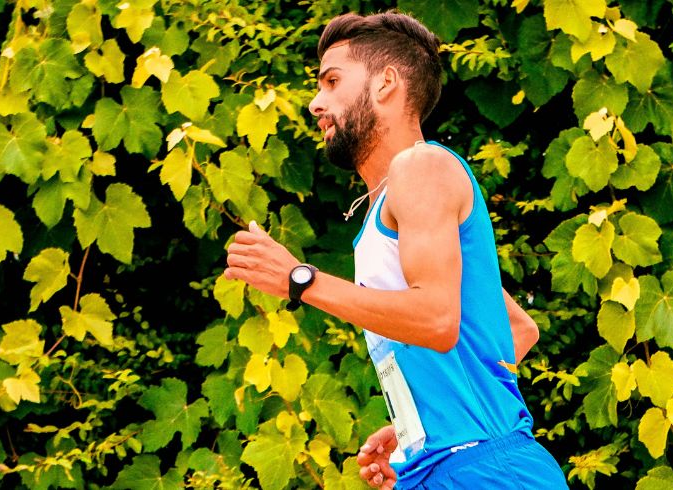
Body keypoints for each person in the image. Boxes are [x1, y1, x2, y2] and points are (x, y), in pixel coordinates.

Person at [223, 11, 567, 490]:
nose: (315, 103)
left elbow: (437, 320)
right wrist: (420, 425)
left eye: (332, 82)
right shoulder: (389, 202)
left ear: (386, 83)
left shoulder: (421, 167)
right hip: (445, 467)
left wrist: (300, 280)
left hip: (487, 472)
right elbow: (517, 328)